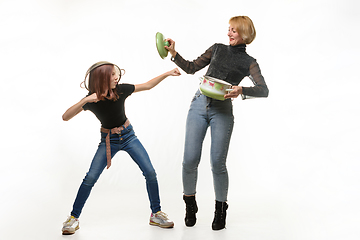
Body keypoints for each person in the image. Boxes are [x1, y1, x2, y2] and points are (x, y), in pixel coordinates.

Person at [164, 16, 269, 230]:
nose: (229, 33)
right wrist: (174, 53)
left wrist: (242, 90)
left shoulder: (249, 62)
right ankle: (190, 205)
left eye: (234, 30)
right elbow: (192, 67)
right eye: (228, 29)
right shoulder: (218, 48)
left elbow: (263, 89)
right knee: (189, 160)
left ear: (245, 34)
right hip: (199, 104)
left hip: (222, 110)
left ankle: (220, 211)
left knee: (217, 164)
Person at [61, 61, 181, 235]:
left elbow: (147, 85)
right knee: (90, 178)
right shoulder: (91, 99)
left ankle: (156, 213)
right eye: (112, 75)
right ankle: (73, 218)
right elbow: (65, 117)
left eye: (117, 74)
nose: (117, 77)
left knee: (150, 172)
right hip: (108, 140)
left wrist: (167, 73)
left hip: (128, 136)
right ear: (101, 78)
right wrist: (86, 100)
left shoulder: (121, 90)